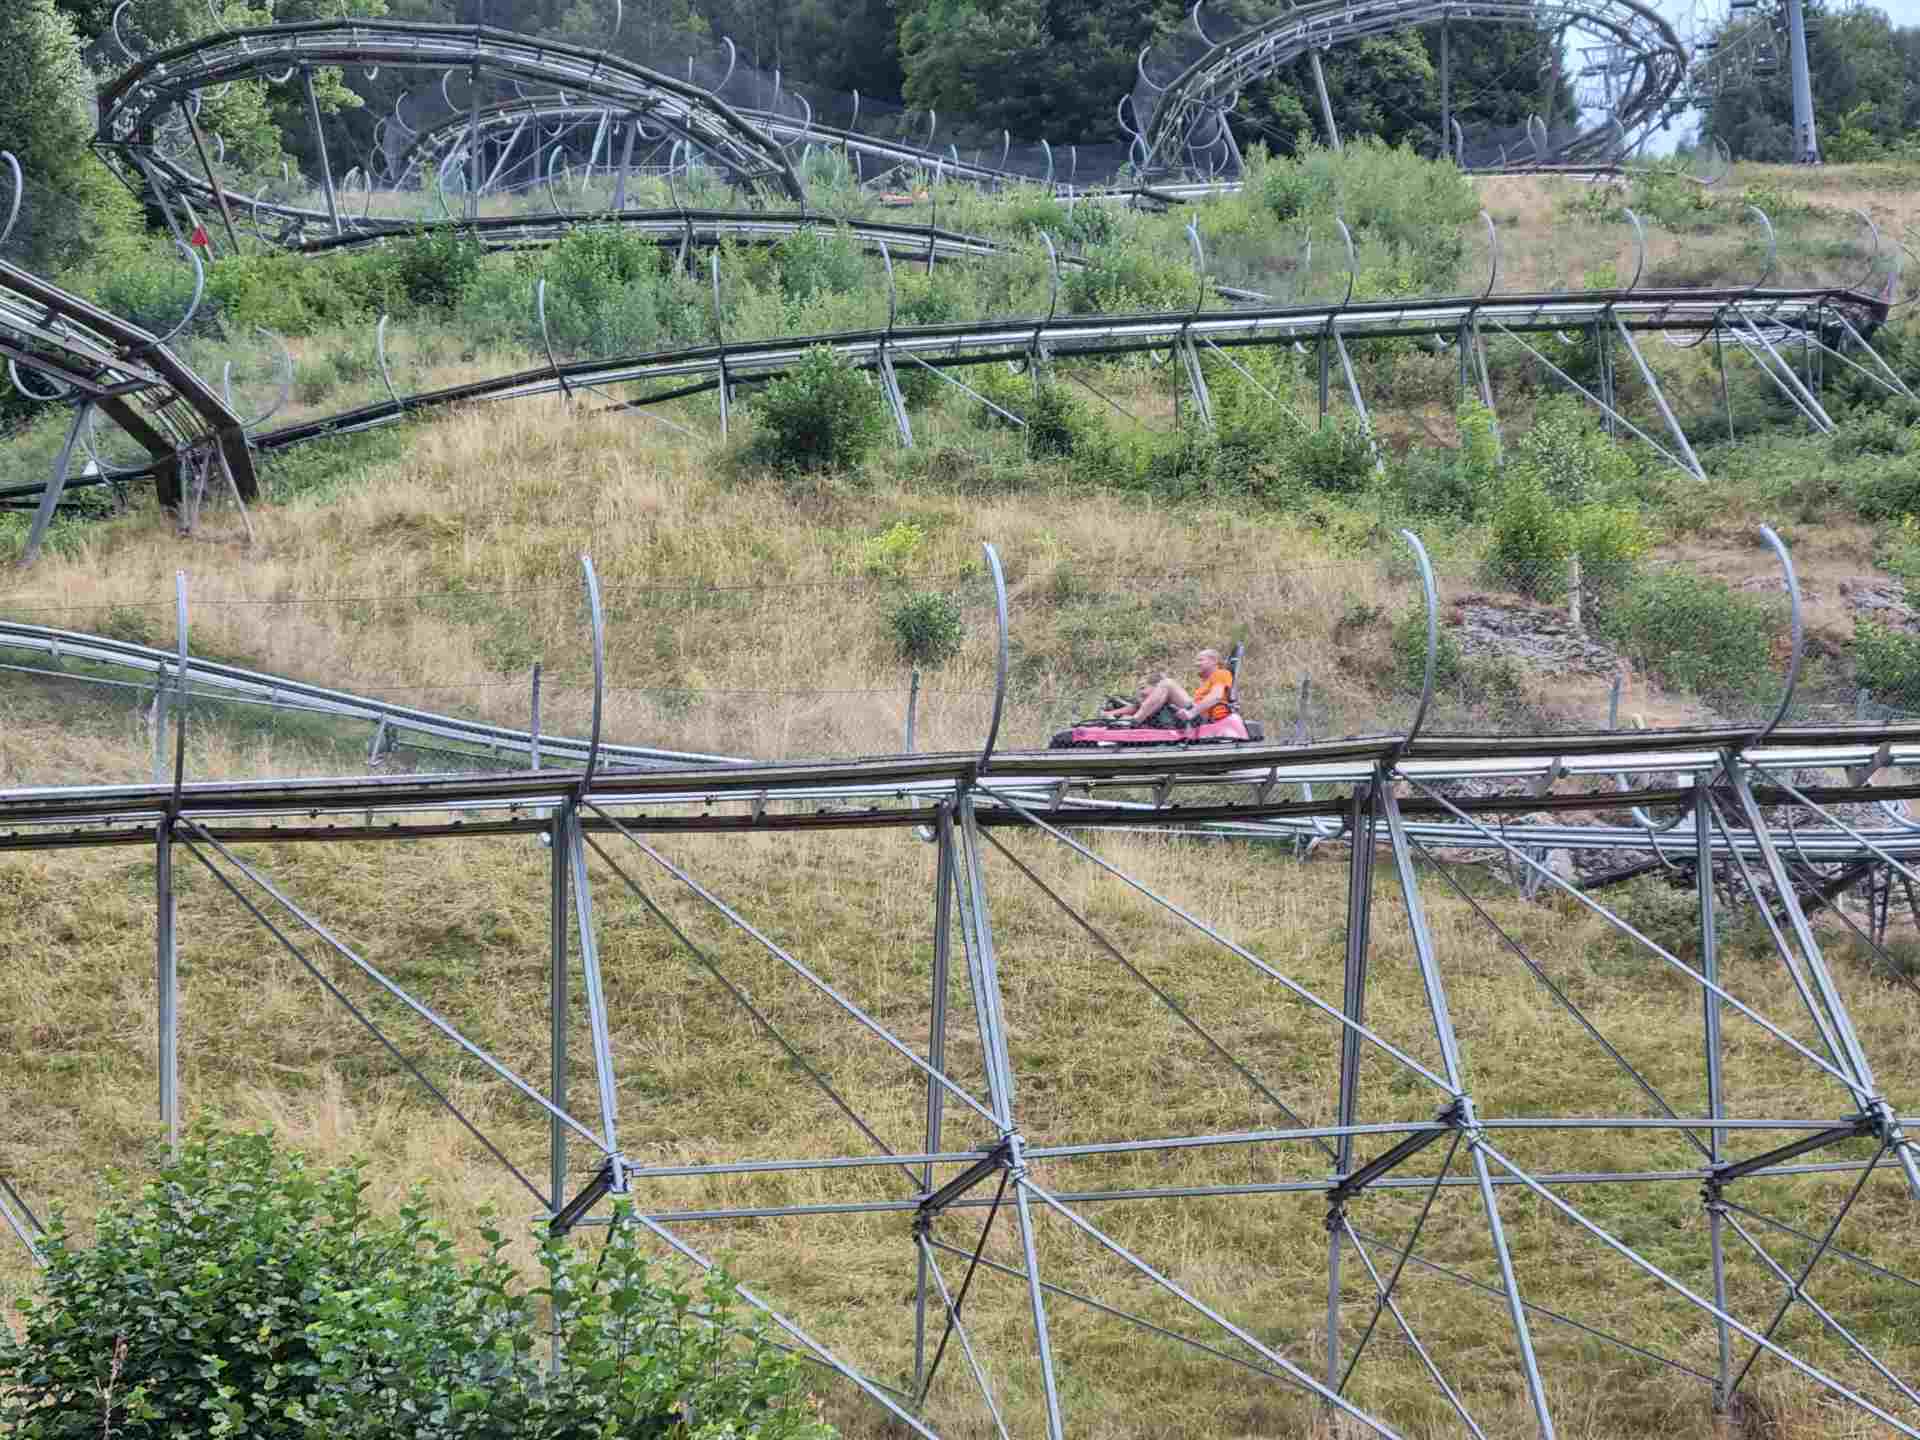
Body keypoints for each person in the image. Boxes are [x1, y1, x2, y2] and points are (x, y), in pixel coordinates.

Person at [1103, 650, 1233, 729]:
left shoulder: (1221, 673)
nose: (1196, 664)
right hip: (1197, 714)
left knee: (1167, 684)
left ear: (1214, 661)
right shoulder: (1206, 682)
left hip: (1205, 719)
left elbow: (1216, 696)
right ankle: (1119, 716)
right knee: (1154, 691)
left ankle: (1134, 721)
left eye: (1200, 660)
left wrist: (1192, 712)